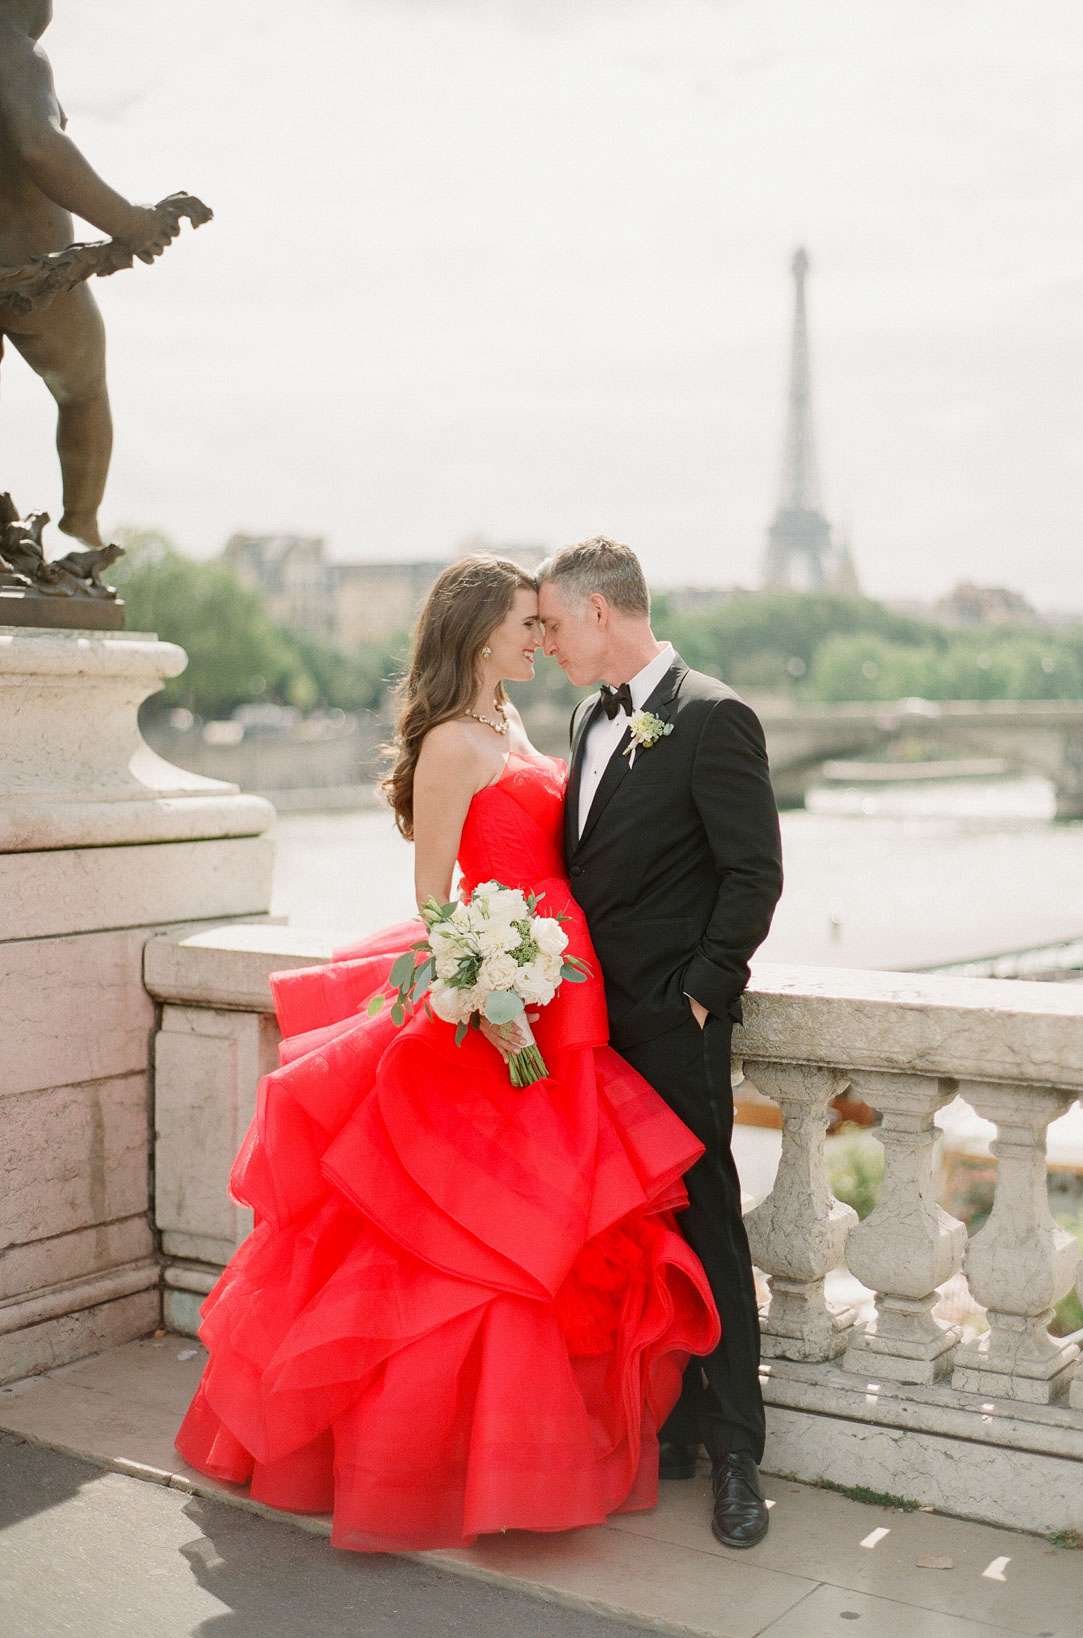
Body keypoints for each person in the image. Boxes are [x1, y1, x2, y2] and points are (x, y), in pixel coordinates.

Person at [176, 554, 721, 1554]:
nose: (541, 638)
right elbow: (434, 897)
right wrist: (489, 992)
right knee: (471, 1234)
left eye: (546, 624)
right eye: (527, 624)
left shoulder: (517, 723)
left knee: (550, 1221)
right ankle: (430, 1463)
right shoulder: (449, 744)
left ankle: (525, 1452)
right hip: (502, 998)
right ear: (480, 635)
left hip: (566, 985)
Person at [538, 536, 783, 1550]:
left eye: (554, 622)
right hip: (590, 1031)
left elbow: (754, 872)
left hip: (672, 1030)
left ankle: (736, 1454)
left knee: (709, 1226)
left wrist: (699, 998)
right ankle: (669, 1429)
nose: (546, 641)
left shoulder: (715, 716)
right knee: (630, 1239)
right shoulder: (585, 718)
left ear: (600, 611)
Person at [0, 0, 178, 549]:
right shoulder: (16, 53)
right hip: (32, 273)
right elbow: (40, 146)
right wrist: (129, 222)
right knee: (83, 391)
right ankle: (81, 520)